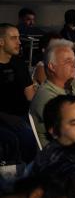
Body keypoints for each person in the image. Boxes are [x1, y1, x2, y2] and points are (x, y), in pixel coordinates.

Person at [0, 23, 37, 163]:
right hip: (4, 120)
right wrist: (6, 118)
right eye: (14, 38)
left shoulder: (19, 63)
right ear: (1, 41)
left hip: (22, 117)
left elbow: (30, 96)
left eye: (19, 38)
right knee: (16, 139)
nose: (19, 42)